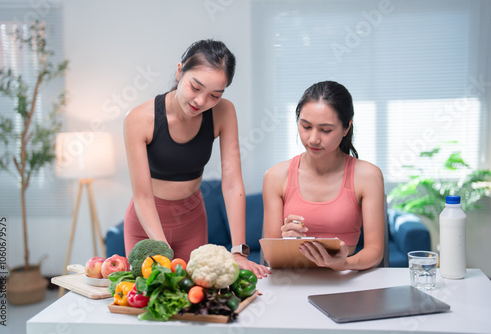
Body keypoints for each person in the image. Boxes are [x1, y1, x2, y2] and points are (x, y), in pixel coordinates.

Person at [124, 39, 269, 277]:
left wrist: (239, 251)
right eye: (195, 87)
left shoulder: (224, 112)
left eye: (214, 95)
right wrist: (162, 250)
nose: (201, 101)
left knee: (196, 305)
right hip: (146, 227)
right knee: (154, 303)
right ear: (180, 71)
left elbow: (232, 184)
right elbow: (142, 195)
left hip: (192, 223)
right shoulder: (139, 119)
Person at [262, 81, 385, 271]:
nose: (313, 139)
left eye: (325, 130)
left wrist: (344, 264)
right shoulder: (276, 176)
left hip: (344, 281)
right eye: (305, 126)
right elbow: (270, 257)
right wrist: (286, 243)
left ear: (346, 128)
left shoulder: (368, 176)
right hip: (293, 280)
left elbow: (375, 251)